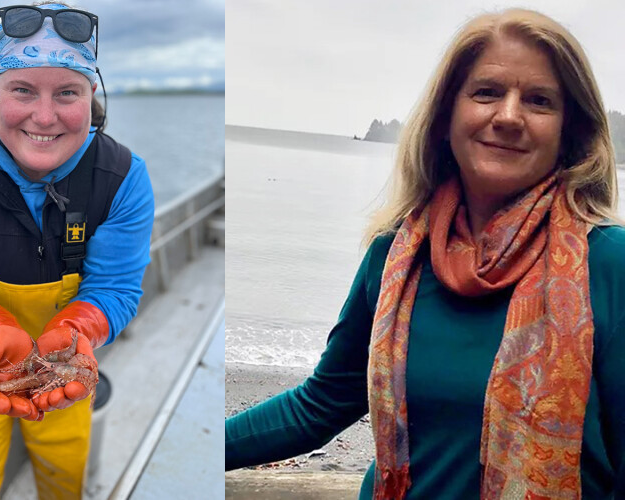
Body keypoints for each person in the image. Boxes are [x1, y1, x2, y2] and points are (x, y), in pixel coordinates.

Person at [226, 8, 625, 499]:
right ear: (444, 118)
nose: (508, 116)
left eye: (539, 101)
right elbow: (321, 404)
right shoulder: (395, 256)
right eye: (487, 92)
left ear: (570, 132)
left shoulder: (610, 265)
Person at [0, 3, 154, 498]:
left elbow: (114, 287)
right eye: (22, 90)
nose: (44, 117)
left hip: (66, 358)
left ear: (92, 94)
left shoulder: (124, 178)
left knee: (65, 465)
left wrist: (76, 332)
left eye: (67, 92)